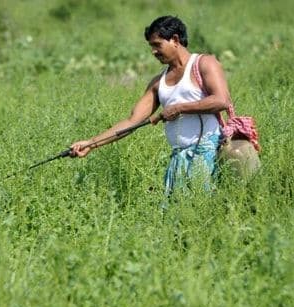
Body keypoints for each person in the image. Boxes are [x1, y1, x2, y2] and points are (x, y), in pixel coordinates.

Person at [70, 15, 231, 195]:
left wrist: (179, 108)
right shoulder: (158, 83)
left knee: (203, 210)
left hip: (208, 153)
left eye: (157, 45)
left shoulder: (204, 63)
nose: (153, 51)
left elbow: (221, 100)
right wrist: (91, 144)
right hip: (179, 159)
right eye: (151, 46)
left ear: (175, 40)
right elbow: (132, 122)